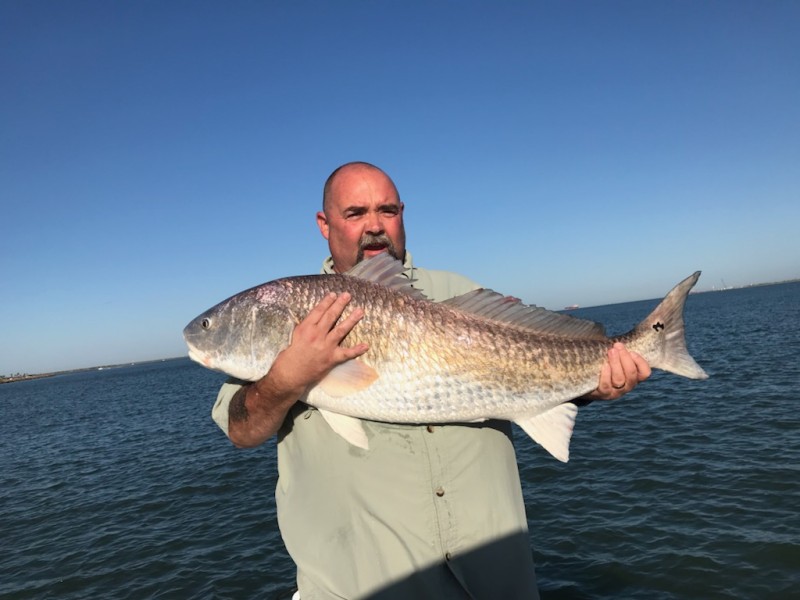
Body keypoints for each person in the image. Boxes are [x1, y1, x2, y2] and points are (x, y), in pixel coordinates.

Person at [211, 162, 651, 599]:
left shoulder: (459, 293)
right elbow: (241, 429)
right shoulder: (290, 312)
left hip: (497, 584)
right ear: (324, 224)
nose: (374, 227)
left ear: (403, 214)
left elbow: (529, 370)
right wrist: (285, 380)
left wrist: (597, 383)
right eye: (355, 213)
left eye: (387, 211)